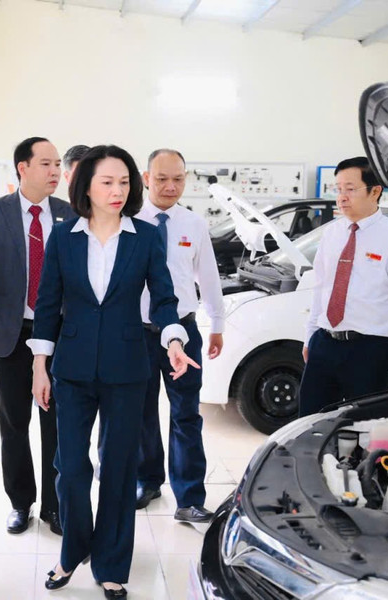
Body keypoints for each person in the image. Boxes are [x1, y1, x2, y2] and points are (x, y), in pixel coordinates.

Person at [29, 145, 199, 599]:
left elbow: (163, 299)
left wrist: (175, 339)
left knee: (120, 469)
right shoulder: (64, 236)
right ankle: (72, 552)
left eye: (124, 182)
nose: (117, 190)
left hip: (128, 369)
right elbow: (47, 305)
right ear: (85, 185)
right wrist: (39, 366)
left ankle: (111, 565)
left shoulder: (144, 237)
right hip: (72, 367)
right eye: (107, 182)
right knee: (69, 467)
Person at [0, 137, 77, 535]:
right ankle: (20, 502)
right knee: (14, 423)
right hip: (11, 334)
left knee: (57, 423)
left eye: (58, 164)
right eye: (46, 164)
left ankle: (55, 505)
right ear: (22, 168)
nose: (55, 172)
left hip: (59, 334)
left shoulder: (69, 214)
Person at [134, 149, 225, 523]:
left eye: (178, 179)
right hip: (136, 332)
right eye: (162, 179)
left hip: (184, 332)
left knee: (186, 413)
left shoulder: (194, 224)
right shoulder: (129, 220)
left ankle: (189, 497)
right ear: (145, 178)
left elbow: (209, 277)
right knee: (140, 412)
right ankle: (147, 480)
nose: (170, 186)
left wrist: (217, 323)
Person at [299, 156, 388, 417]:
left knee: (369, 426)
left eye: (350, 189)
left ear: (375, 191)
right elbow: (322, 288)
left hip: (370, 350)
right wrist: (311, 334)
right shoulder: (332, 233)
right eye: (338, 189)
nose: (342, 197)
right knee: (312, 423)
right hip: (325, 343)